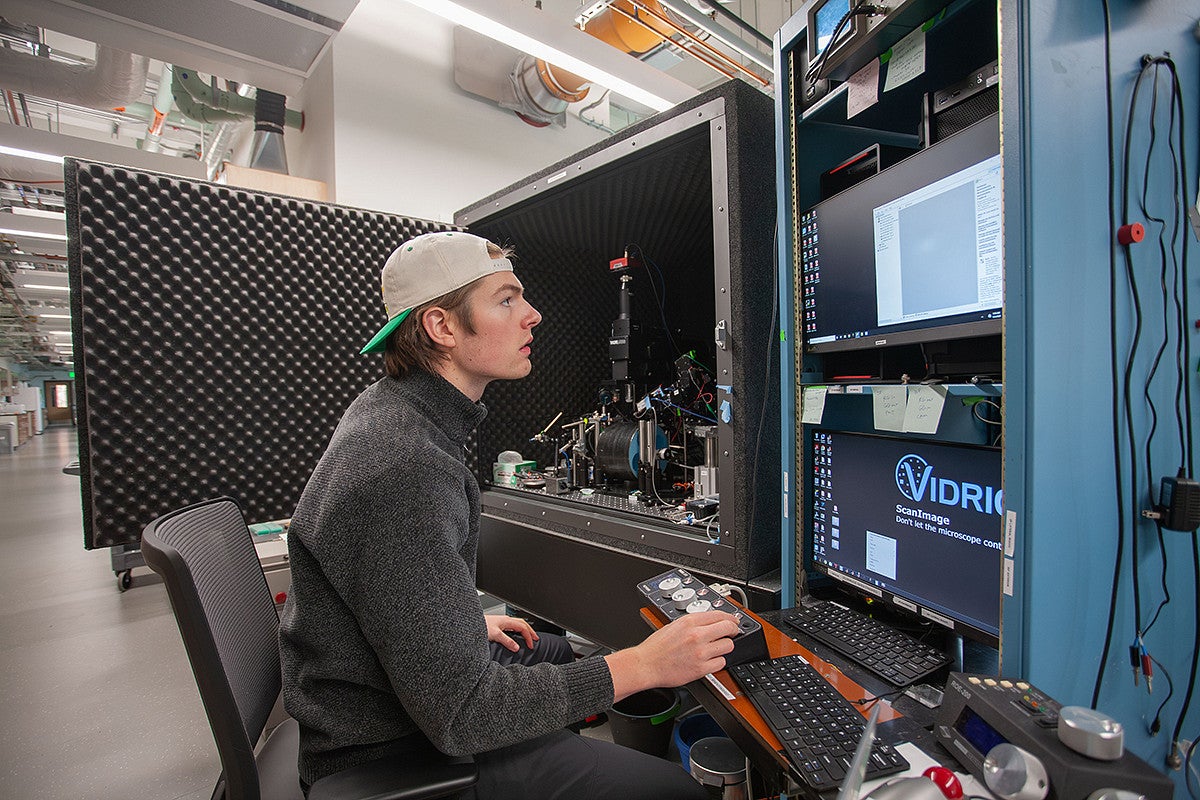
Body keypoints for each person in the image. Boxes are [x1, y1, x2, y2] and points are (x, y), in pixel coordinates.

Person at [278, 231, 738, 799]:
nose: (533, 315)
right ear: (442, 328)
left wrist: (455, 626)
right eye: (506, 299)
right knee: (675, 790)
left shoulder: (397, 415)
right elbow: (465, 713)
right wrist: (644, 666)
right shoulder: (400, 467)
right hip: (388, 752)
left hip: (394, 700)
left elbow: (385, 588)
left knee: (550, 648)